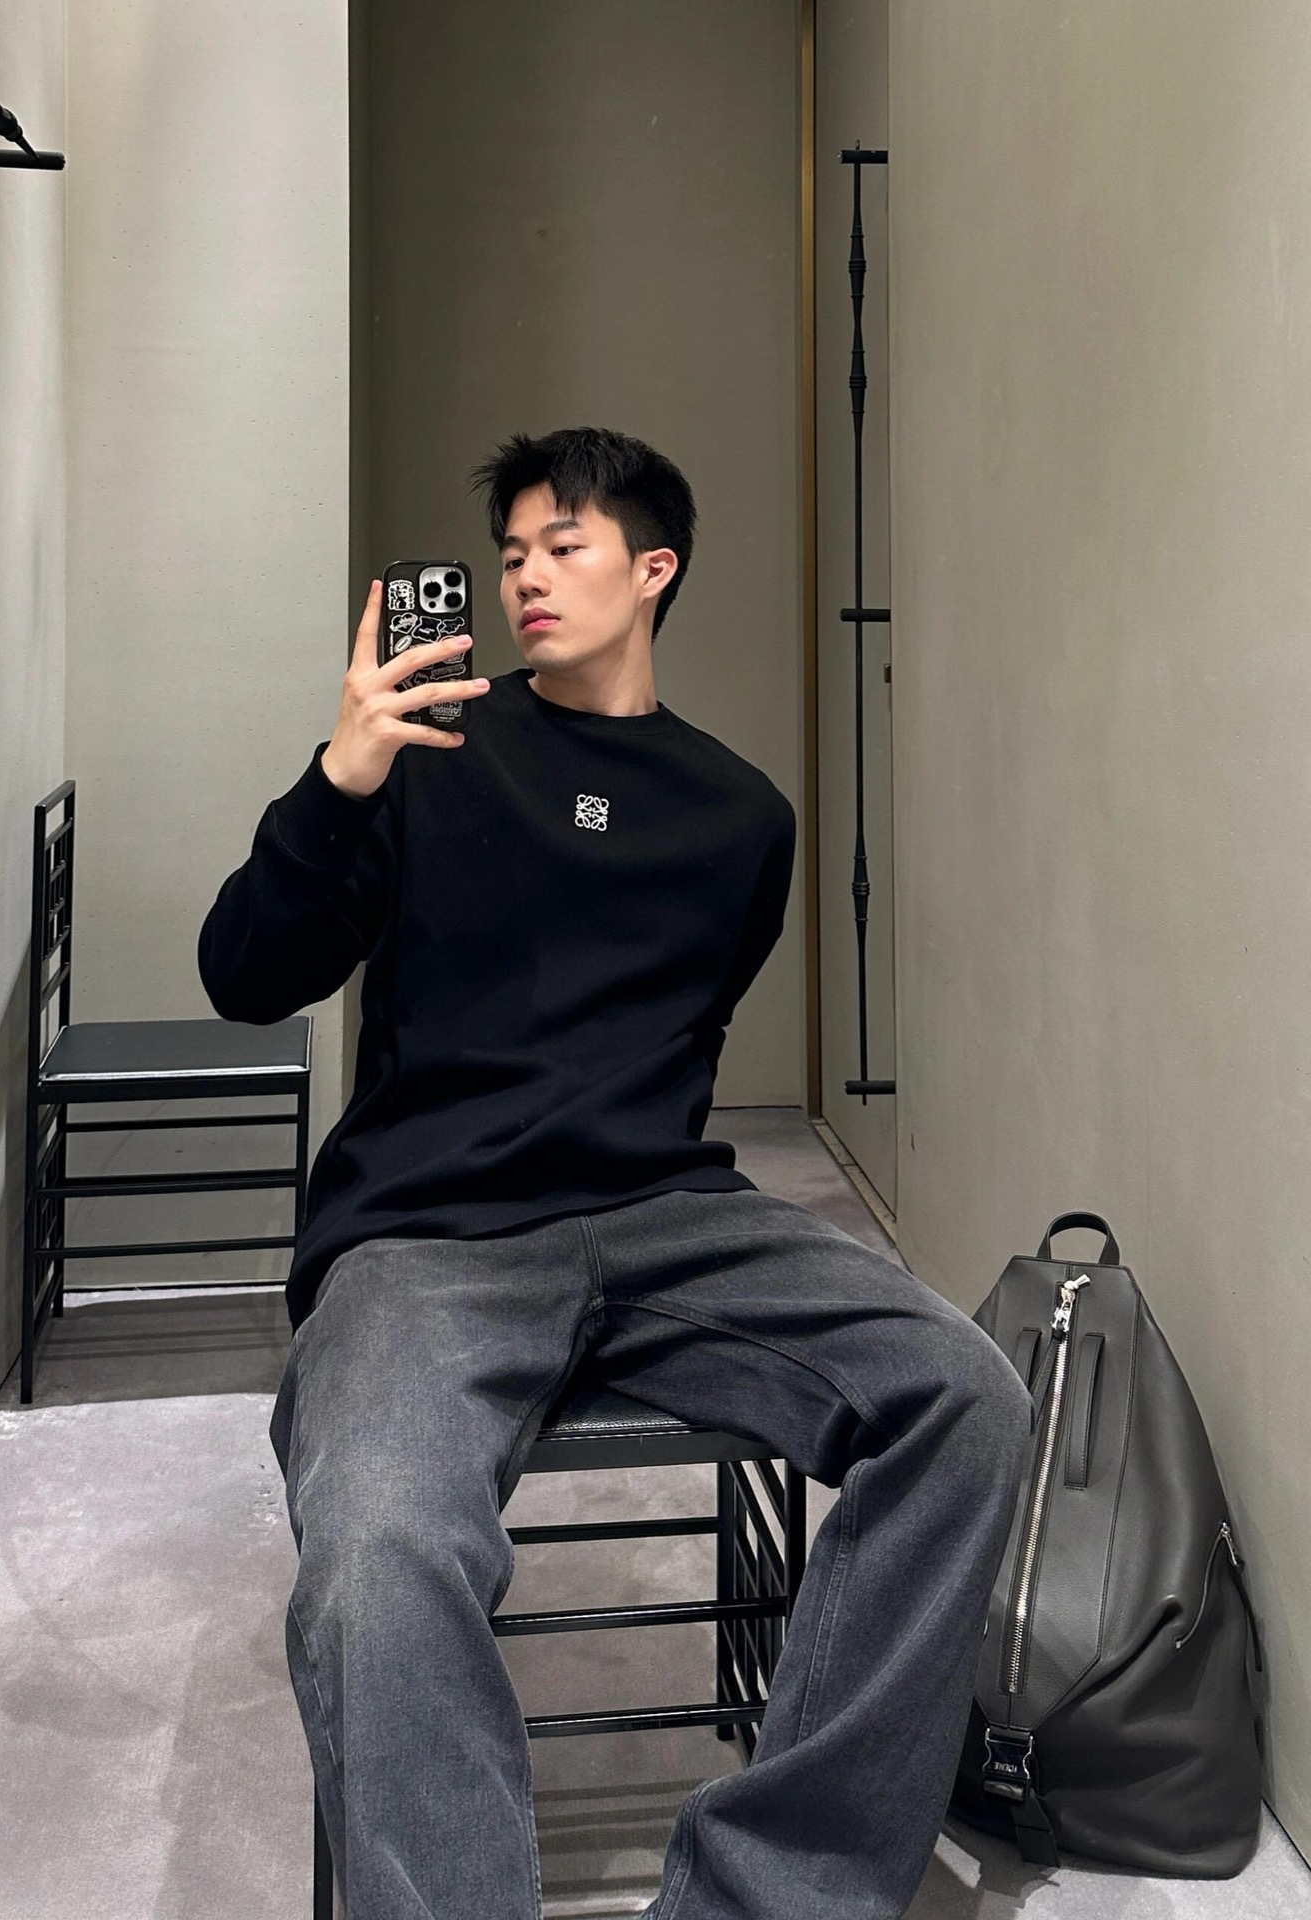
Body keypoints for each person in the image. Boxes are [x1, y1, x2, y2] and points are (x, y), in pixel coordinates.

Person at [197, 426, 1035, 1919]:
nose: (525, 574)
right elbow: (244, 975)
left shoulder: (743, 818)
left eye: (561, 545)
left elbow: (686, 1038)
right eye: (510, 551)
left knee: (967, 1396)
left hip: (670, 1225)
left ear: (653, 569)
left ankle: (767, 1889)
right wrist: (340, 777)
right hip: (427, 1238)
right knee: (381, 1543)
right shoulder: (425, 757)